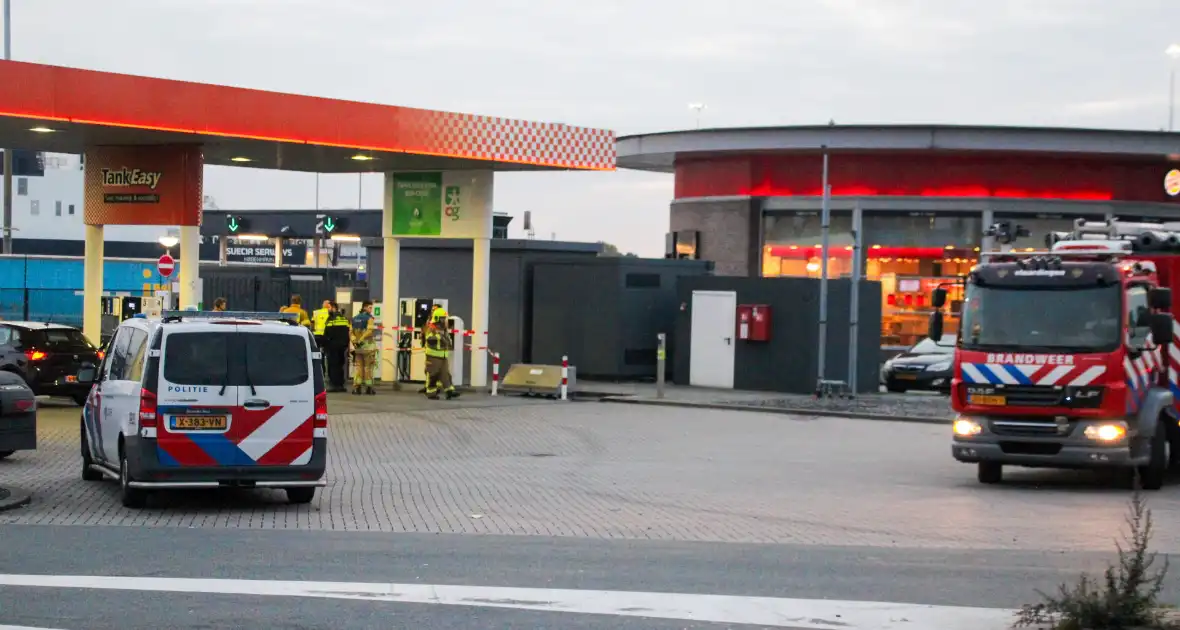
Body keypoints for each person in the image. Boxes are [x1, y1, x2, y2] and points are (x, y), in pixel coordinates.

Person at [423, 305, 458, 400]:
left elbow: (448, 341)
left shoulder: (443, 329)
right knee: (433, 375)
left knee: (445, 374)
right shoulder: (431, 327)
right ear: (438, 318)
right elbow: (430, 339)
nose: (445, 320)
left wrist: (443, 337)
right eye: (443, 318)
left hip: (443, 356)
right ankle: (431, 393)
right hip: (433, 356)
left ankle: (449, 391)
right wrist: (441, 337)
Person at [323, 301, 351, 392]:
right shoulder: (343, 318)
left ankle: (334, 385)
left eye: (329, 307)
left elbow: (327, 333)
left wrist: (325, 344)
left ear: (333, 307)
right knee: (340, 365)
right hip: (342, 346)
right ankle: (340, 385)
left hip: (332, 346)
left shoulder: (331, 319)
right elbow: (347, 333)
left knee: (333, 365)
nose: (328, 310)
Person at [350, 300, 377, 395]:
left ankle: (357, 388)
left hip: (358, 348)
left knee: (358, 367)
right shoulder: (369, 318)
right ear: (365, 307)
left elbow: (351, 332)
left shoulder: (354, 318)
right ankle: (369, 388)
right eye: (370, 307)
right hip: (368, 347)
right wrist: (361, 340)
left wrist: (355, 341)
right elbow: (369, 331)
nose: (371, 309)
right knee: (368, 367)